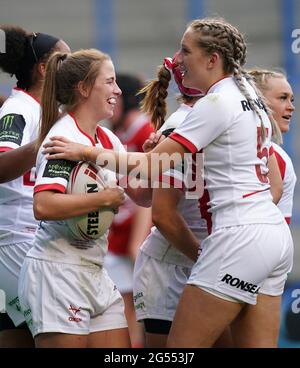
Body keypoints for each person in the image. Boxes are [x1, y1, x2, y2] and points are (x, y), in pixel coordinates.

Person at [42, 18, 293, 348]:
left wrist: (87, 151)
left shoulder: (215, 103)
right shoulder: (253, 97)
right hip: (274, 236)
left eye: (186, 50)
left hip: (237, 236)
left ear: (212, 59)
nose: (178, 58)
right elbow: (273, 183)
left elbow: (151, 166)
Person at [18, 48, 151, 348]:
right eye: (111, 81)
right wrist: (102, 200)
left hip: (94, 269)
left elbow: (141, 197)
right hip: (57, 272)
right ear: (84, 88)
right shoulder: (63, 138)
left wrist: (158, 164)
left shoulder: (107, 139)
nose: (118, 90)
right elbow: (44, 205)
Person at [0, 24, 70, 348]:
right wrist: (41, 144)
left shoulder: (49, 111)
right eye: (65, 60)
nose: (73, 66)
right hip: (17, 240)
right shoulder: (19, 110)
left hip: (28, 239)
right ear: (44, 68)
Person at [132, 55, 207, 347]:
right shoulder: (183, 125)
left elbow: (142, 195)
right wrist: (206, 258)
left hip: (193, 258)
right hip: (174, 266)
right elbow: (161, 213)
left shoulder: (208, 117)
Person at [104, 73, 154, 348]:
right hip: (121, 233)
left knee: (132, 309)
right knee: (123, 308)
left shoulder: (143, 130)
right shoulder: (122, 133)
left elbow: (151, 191)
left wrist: (137, 239)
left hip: (134, 234)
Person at [249, 69, 297, 224]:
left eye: (292, 99)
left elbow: (279, 228)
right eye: (283, 98)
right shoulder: (225, 143)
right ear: (258, 101)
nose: (291, 107)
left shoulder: (283, 161)